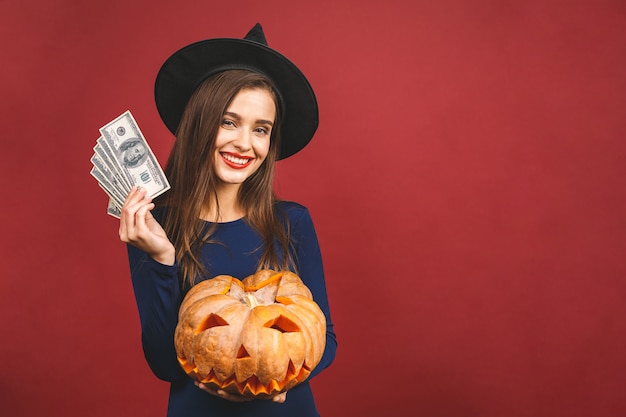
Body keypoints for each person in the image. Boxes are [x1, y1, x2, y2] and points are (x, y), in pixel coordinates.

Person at [118, 23, 337, 417]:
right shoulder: (155, 226)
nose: (244, 143)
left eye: (261, 129)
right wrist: (162, 260)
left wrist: (271, 383)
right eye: (229, 122)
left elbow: (325, 339)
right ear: (201, 124)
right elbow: (165, 364)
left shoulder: (292, 222)